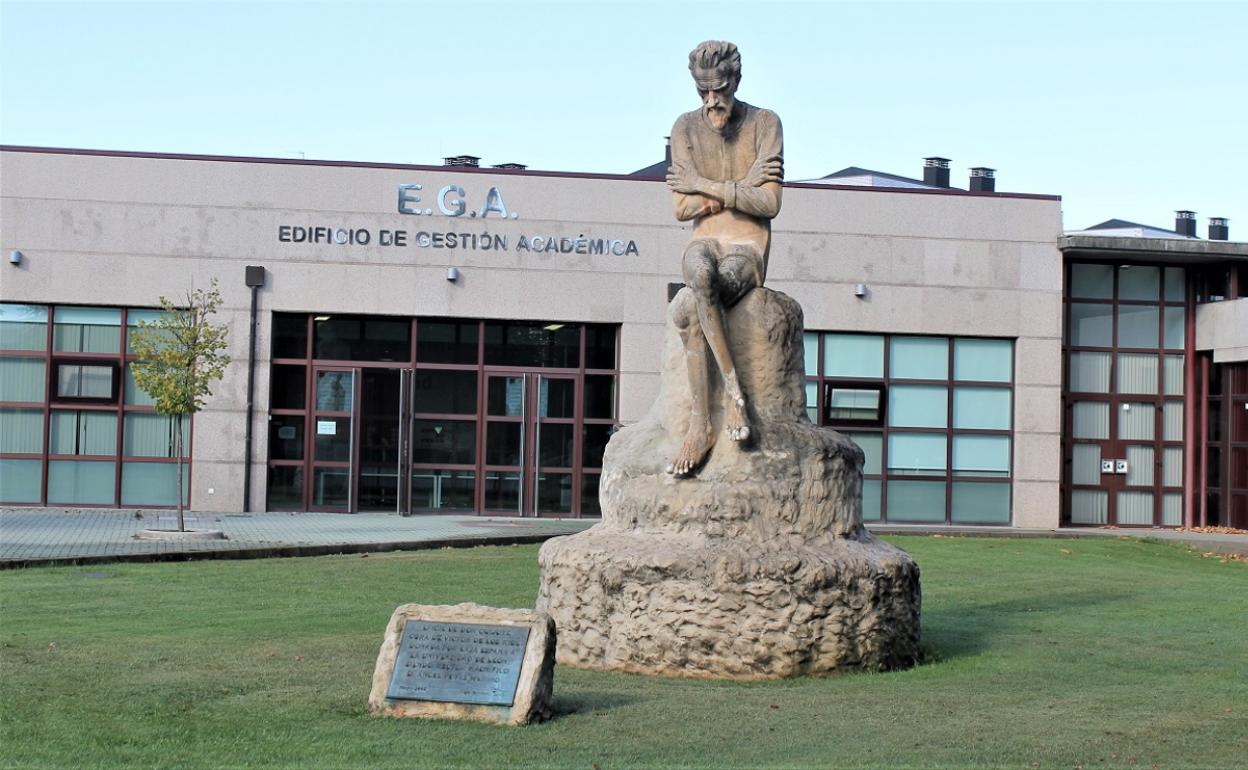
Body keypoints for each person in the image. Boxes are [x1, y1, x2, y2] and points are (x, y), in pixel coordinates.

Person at [665, 40, 784, 476]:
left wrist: (704, 183)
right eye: (703, 92)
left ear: (735, 79)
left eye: (719, 89)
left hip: (747, 247)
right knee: (698, 273)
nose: (712, 100)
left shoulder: (765, 124)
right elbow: (681, 209)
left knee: (695, 307)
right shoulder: (684, 129)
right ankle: (730, 400)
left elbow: (769, 205)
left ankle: (707, 421)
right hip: (706, 241)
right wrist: (738, 187)